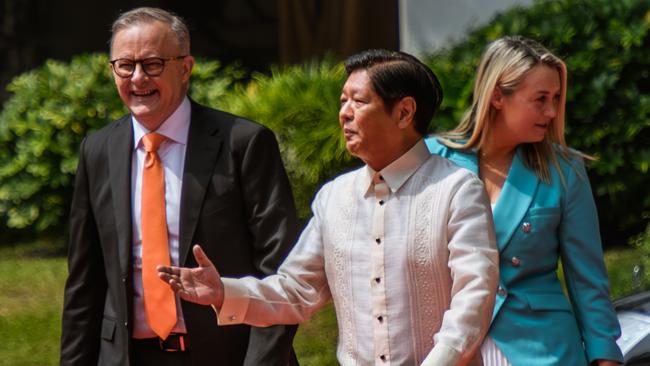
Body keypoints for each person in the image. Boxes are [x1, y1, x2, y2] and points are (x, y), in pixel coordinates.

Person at [158, 49, 499, 366]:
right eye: (343, 101)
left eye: (358, 101)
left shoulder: (456, 190)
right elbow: (297, 290)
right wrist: (224, 292)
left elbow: (474, 296)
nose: (344, 113)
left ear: (404, 112)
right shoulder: (334, 197)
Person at [60, 7, 299, 366]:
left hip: (227, 354)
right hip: (127, 355)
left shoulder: (243, 143)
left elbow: (280, 268)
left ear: (185, 68)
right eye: (125, 65)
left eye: (153, 64)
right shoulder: (98, 150)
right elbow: (85, 282)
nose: (138, 78)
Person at [425, 36, 624, 366]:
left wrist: (606, 356)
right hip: (448, 346)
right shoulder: (433, 160)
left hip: (544, 349)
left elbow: (588, 278)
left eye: (556, 98)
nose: (551, 111)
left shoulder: (565, 170)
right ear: (498, 95)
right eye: (540, 99)